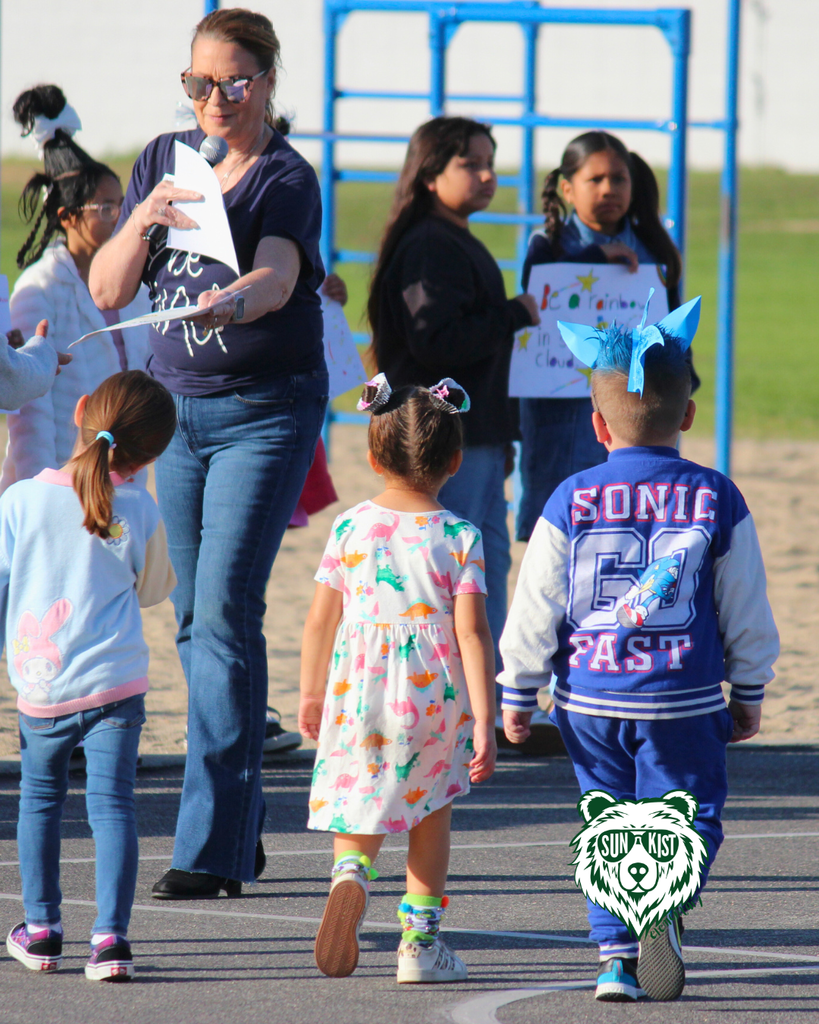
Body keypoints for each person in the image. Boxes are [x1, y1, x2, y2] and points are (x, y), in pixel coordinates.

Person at [89, 8, 328, 897]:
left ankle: (211, 847)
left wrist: (232, 301)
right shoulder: (163, 159)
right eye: (199, 82)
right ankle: (238, 818)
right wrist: (142, 220)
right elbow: (108, 288)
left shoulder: (285, 176)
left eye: (233, 81)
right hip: (176, 416)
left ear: (266, 82)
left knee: (225, 610)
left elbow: (279, 277)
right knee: (193, 617)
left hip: (265, 410)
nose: (215, 98)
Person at [498, 296, 779, 1002]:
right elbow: (744, 604)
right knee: (689, 814)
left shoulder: (569, 498)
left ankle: (614, 959)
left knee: (606, 819)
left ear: (596, 425)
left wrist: (517, 689)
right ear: (688, 414)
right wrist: (749, 687)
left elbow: (536, 604)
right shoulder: (716, 496)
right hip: (682, 697)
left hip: (589, 699)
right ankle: (662, 904)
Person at [299, 376, 497, 983]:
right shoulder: (460, 536)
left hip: (358, 689)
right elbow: (472, 635)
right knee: (430, 812)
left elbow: (320, 620)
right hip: (432, 695)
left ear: (373, 456)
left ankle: (351, 874)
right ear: (455, 462)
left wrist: (311, 694)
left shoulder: (350, 528)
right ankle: (419, 946)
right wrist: (485, 720)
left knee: (359, 795)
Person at [1, 370, 177, 982]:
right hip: (115, 684)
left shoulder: (20, 500)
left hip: (42, 684)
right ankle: (110, 940)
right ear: (149, 456)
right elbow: (154, 590)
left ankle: (42, 929)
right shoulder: (140, 508)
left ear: (79, 411)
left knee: (39, 802)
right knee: (113, 808)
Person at [367, 115, 539, 681]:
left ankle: (483, 700)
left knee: (479, 568)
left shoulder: (446, 239)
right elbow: (436, 341)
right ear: (429, 174)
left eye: (491, 162)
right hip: (440, 438)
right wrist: (513, 314)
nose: (487, 175)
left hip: (473, 437)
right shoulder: (429, 246)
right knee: (453, 573)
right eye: (471, 163)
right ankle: (452, 699)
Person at [516, 130, 695, 543]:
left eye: (618, 178)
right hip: (562, 411)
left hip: (642, 408)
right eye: (594, 179)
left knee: (640, 515)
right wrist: (596, 258)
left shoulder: (653, 247)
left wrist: (682, 376)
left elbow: (673, 326)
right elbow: (540, 294)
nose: (608, 189)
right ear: (567, 188)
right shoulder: (546, 245)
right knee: (563, 520)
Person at [1, 85, 150, 494]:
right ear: (67, 217)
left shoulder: (131, 281)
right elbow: (30, 409)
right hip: (59, 480)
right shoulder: (39, 289)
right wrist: (41, 494)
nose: (119, 217)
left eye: (122, 204)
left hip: (123, 475)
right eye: (105, 208)